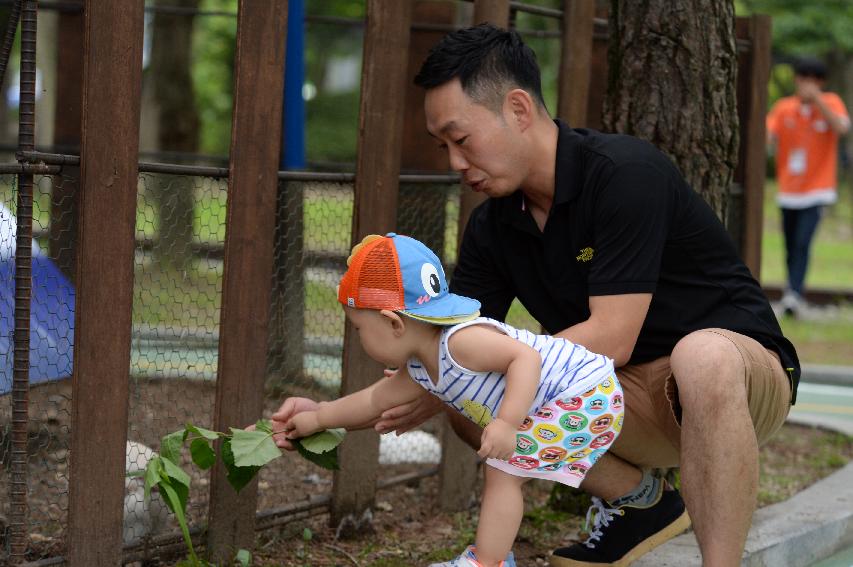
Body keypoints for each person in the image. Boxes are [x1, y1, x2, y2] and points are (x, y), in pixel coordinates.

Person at [274, 24, 800, 567]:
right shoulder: (492, 228)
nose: (454, 162)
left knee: (701, 355)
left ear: (519, 109)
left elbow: (611, 338)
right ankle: (641, 503)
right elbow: (442, 345)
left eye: (462, 139)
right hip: (627, 401)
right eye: (443, 146)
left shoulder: (625, 175)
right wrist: (324, 414)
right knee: (472, 402)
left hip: (736, 379)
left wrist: (450, 376)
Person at [281, 233, 626, 567]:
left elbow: (526, 359)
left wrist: (507, 423)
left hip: (586, 393)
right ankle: (494, 556)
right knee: (505, 470)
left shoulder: (459, 342)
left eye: (358, 328)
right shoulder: (420, 365)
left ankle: (487, 562)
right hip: (574, 397)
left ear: (393, 323)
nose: (358, 338)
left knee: (504, 472)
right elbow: (375, 400)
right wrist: (318, 417)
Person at [766, 57, 850, 317]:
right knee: (791, 244)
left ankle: (794, 295)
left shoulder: (832, 102)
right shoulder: (783, 107)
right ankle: (792, 291)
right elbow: (767, 136)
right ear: (797, 80)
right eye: (803, 79)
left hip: (818, 190)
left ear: (820, 83)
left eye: (813, 80)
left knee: (803, 241)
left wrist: (818, 100)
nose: (807, 85)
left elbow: (842, 127)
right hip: (788, 190)